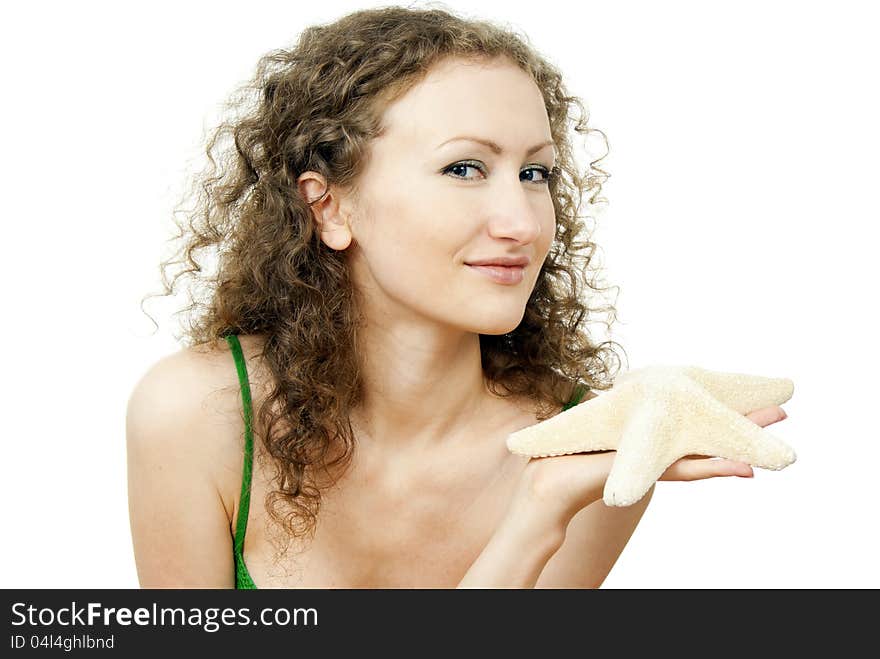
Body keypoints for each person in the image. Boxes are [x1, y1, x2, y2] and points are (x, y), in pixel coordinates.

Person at [126, 5, 787, 589]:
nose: (523, 223)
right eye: (464, 168)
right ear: (329, 208)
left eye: (536, 173)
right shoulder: (199, 417)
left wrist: (539, 513)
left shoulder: (585, 451)